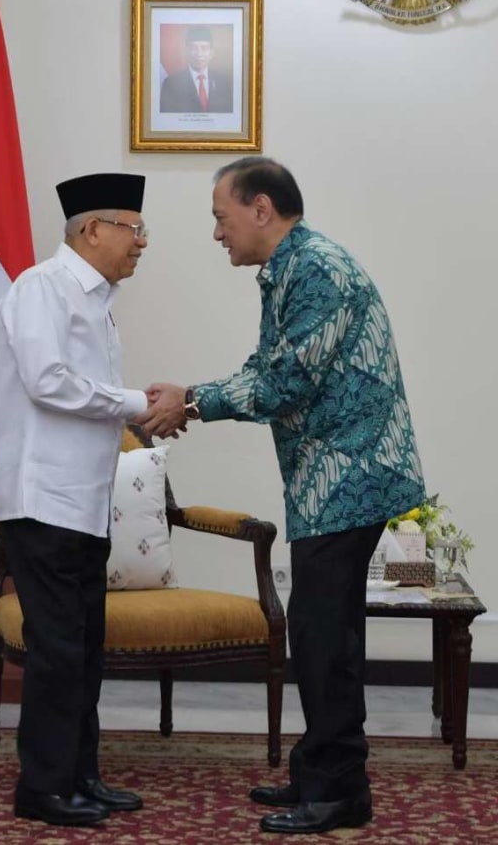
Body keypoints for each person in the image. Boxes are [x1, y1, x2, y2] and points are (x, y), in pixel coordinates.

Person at [137, 157, 425, 836]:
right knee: (322, 631)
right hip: (330, 482)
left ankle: (339, 792)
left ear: (261, 208)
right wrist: (193, 397)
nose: (217, 233)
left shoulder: (316, 270)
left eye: (221, 217)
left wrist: (192, 401)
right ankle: (318, 770)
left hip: (351, 479)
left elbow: (284, 384)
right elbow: (265, 367)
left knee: (325, 639)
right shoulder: (289, 270)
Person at [0, 173, 151, 828]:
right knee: (57, 649)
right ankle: (44, 788)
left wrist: (135, 407)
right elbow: (48, 381)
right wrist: (138, 404)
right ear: (92, 229)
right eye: (134, 229)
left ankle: (81, 775)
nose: (142, 243)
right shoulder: (42, 287)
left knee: (83, 647)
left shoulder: (97, 301)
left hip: (83, 503)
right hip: (44, 501)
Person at [160, 25, 233, 114]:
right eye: (193, 48)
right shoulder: (171, 83)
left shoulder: (223, 82)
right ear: (186, 52)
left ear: (212, 53)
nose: (199, 54)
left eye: (204, 48)